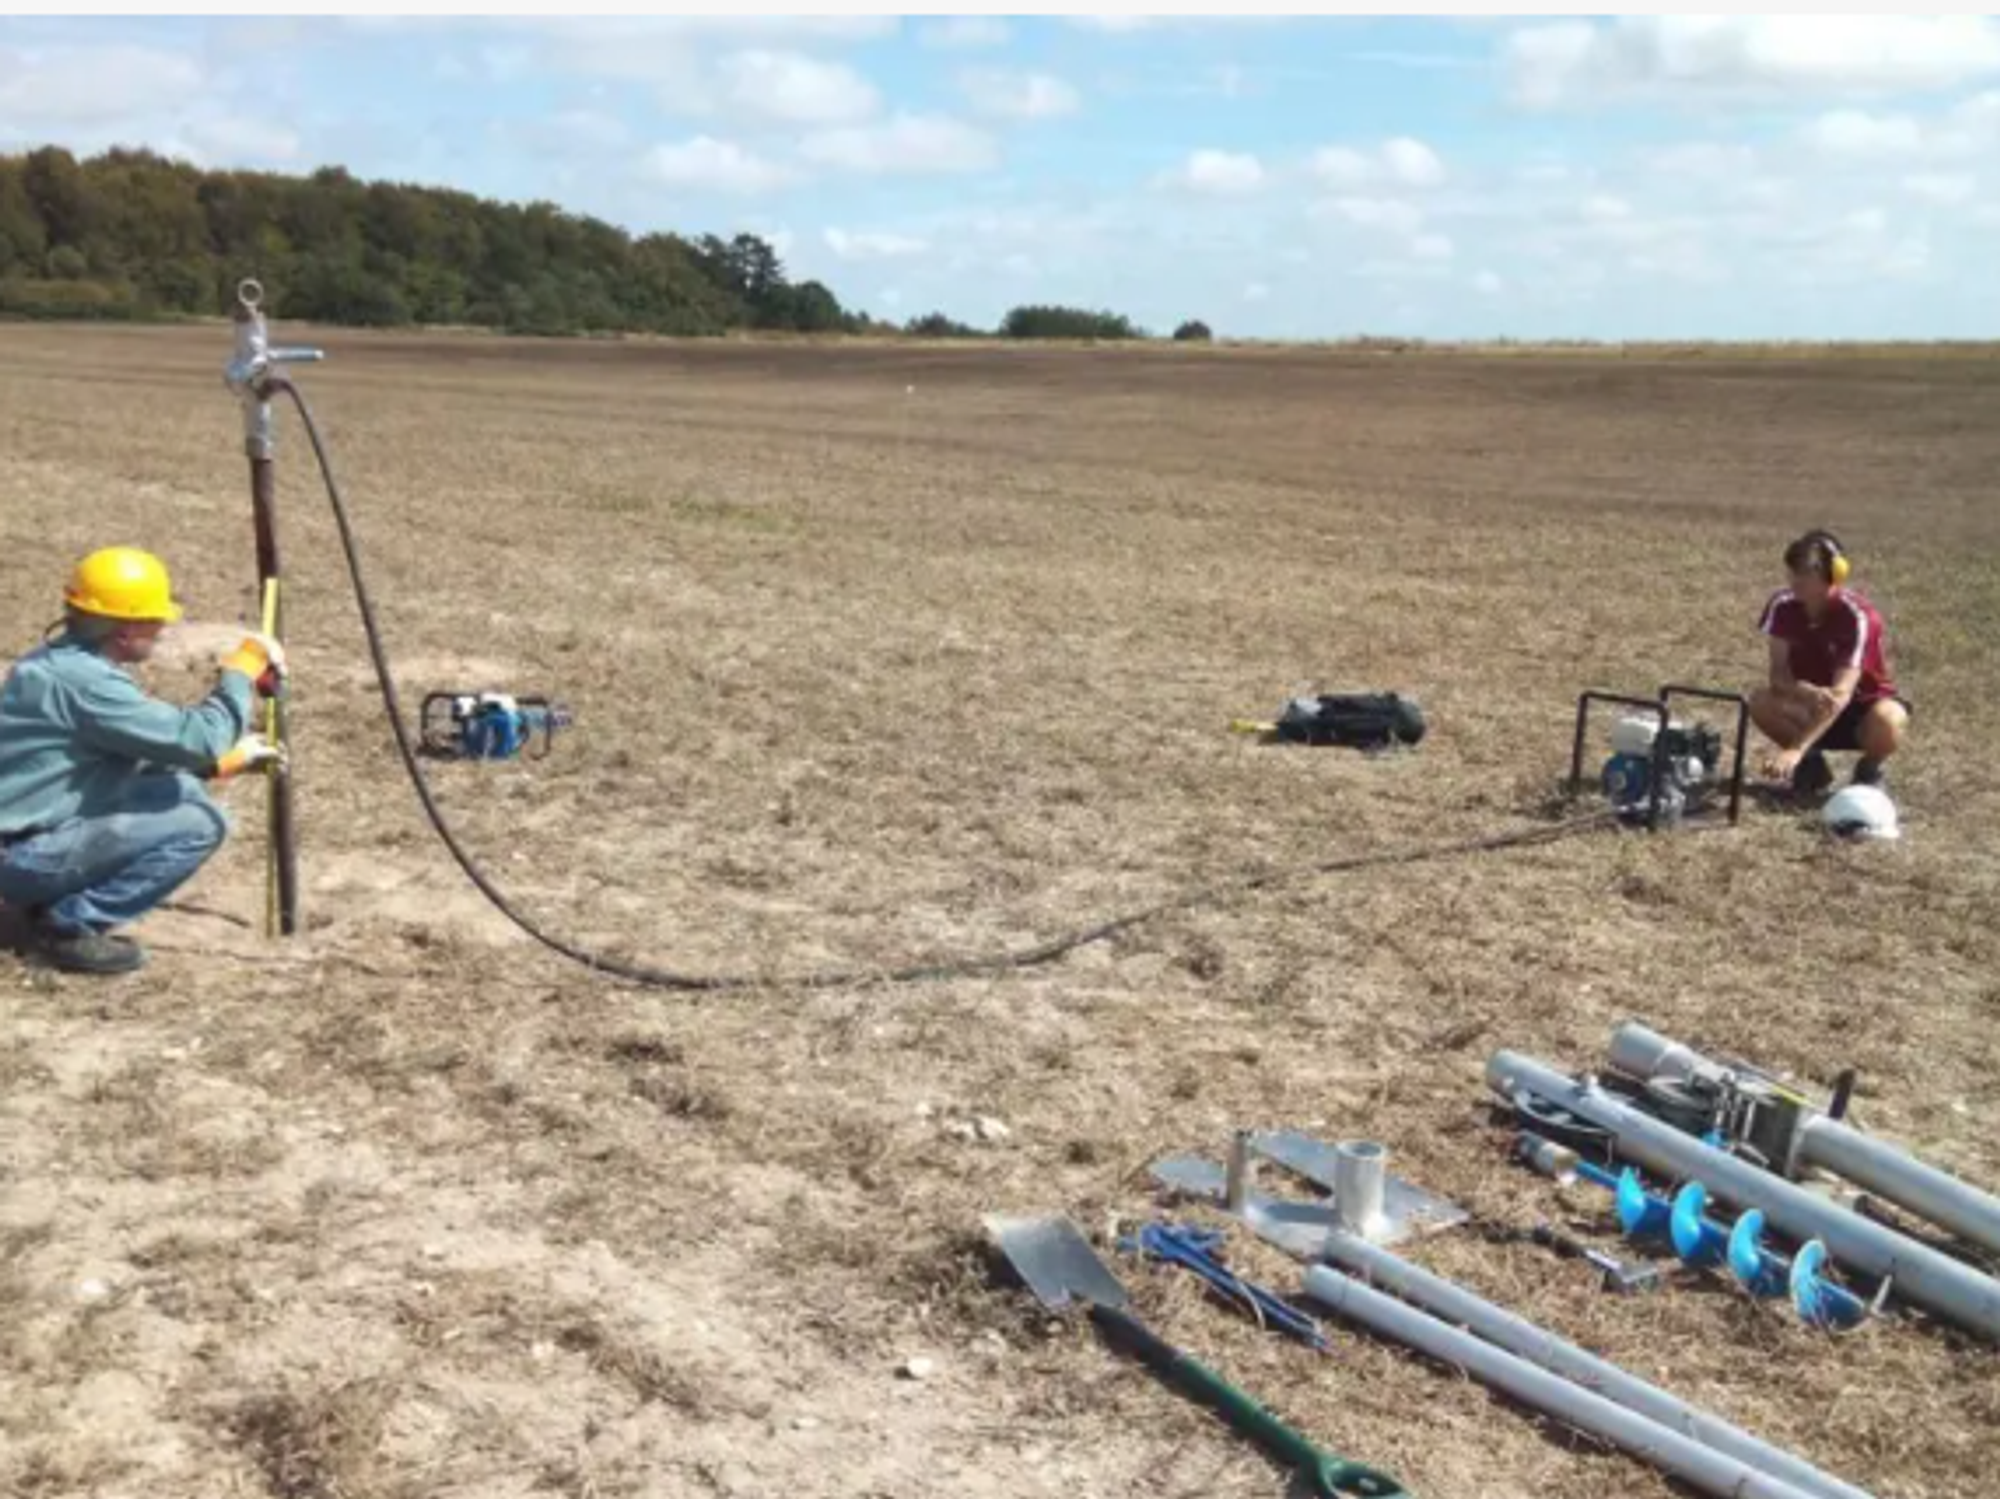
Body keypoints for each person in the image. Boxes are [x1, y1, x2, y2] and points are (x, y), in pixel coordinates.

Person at [0, 547, 287, 975]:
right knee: (200, 824)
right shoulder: (89, 685)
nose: (163, 628)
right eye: (156, 620)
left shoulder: (57, 663)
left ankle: (45, 898)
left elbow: (129, 756)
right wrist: (239, 673)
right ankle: (65, 926)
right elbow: (198, 738)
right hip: (18, 855)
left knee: (181, 791)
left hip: (28, 835)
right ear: (125, 628)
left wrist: (218, 766)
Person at [1748, 529, 1909, 800]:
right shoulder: (1782, 605)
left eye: (1805, 573)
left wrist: (1795, 749)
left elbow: (1840, 696)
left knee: (1889, 721)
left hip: (1861, 710)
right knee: (1761, 702)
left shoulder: (1858, 617)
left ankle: (1869, 773)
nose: (1794, 580)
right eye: (1792, 571)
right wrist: (1805, 691)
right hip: (1811, 704)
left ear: (1833, 575)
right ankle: (1811, 770)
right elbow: (1778, 675)